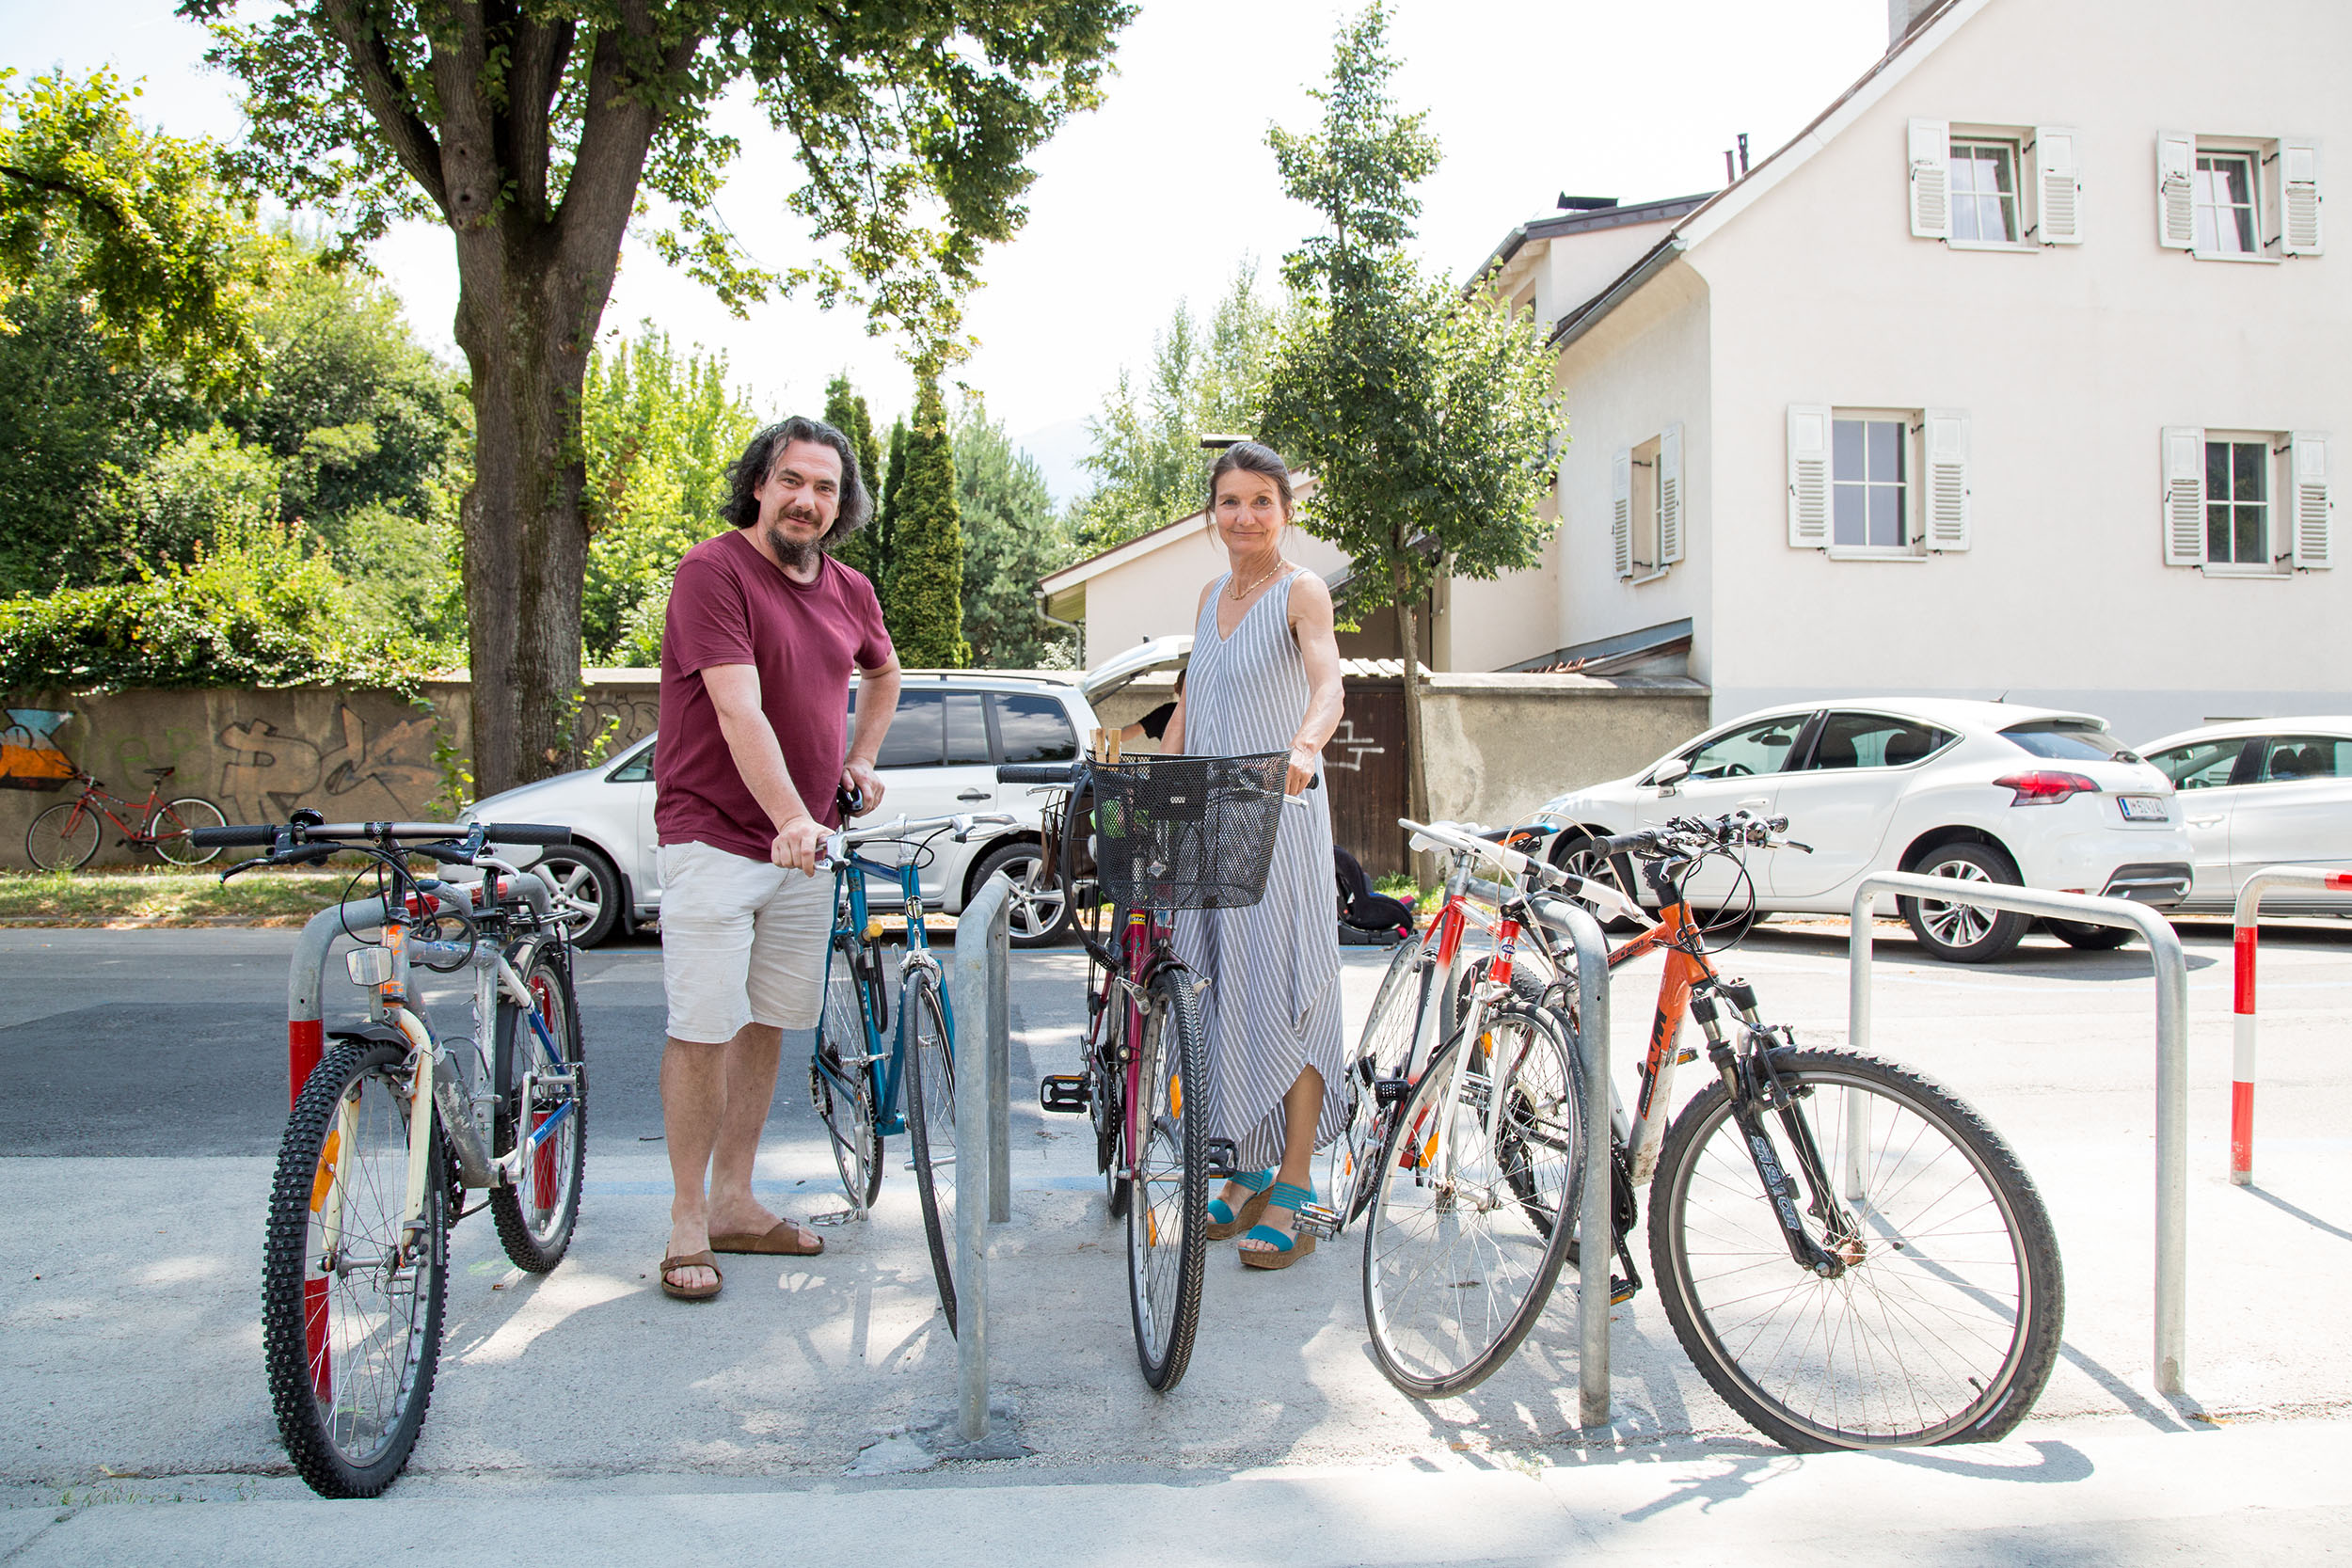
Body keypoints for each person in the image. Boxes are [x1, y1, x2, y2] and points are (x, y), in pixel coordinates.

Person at [651, 417, 900, 1302]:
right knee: (704, 1024)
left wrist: (860, 760)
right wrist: (793, 816)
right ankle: (687, 1216)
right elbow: (737, 710)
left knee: (768, 1021)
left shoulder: (849, 588)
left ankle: (735, 1200)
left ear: (842, 504)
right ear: (759, 483)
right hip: (714, 833)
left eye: (826, 488)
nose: (807, 500)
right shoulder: (712, 571)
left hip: (805, 848)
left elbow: (884, 673)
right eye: (791, 480)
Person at [1162, 441, 1345, 1269]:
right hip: (1208, 818)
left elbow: (1327, 681)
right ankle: (1248, 1169)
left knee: (1290, 994)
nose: (1245, 516)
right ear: (1213, 512)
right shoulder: (1208, 596)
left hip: (1279, 815)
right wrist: (1147, 787)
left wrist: (1304, 748)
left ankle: (1299, 1185)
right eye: (1230, 501)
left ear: (1285, 509)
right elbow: (1191, 707)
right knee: (1224, 992)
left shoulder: (1300, 590)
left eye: (1261, 501)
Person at [1118, 667, 1186, 748]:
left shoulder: (1167, 711)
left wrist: (1106, 741)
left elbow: (1136, 729)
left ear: (1176, 688)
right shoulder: (1166, 711)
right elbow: (1137, 728)